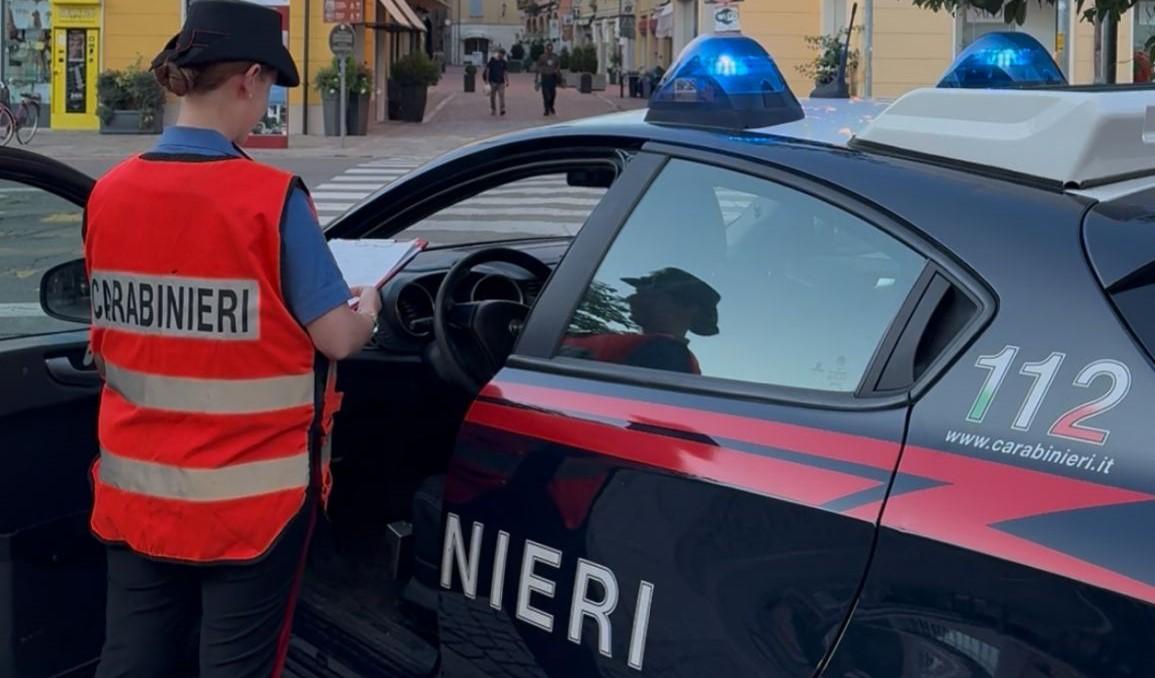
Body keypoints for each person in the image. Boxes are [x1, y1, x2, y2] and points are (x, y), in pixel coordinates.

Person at [84, 1, 382, 676]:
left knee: (131, 660)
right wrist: (370, 307)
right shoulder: (268, 198)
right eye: (269, 89)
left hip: (137, 491)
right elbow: (336, 339)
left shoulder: (110, 193)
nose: (265, 106)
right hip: (250, 504)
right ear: (249, 78)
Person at [561, 267, 721, 374]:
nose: (632, 298)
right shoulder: (652, 348)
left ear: (688, 307)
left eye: (647, 292)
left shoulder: (665, 356)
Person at [536, 42, 560, 116]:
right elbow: (538, 66)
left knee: (553, 94)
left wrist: (556, 70)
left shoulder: (555, 57)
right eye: (548, 49)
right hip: (545, 77)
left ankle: (551, 106)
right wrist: (537, 77)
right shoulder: (542, 57)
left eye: (551, 49)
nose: (549, 50)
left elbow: (558, 64)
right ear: (545, 49)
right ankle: (546, 110)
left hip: (552, 77)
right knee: (546, 95)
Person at [484, 47, 509, 116]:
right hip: (493, 81)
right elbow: (488, 70)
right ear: (499, 53)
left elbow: (505, 72)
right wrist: (487, 80)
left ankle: (502, 109)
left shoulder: (503, 62)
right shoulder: (492, 60)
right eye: (502, 54)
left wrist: (507, 81)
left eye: (503, 55)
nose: (502, 56)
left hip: (501, 82)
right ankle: (493, 109)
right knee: (492, 97)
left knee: (502, 96)